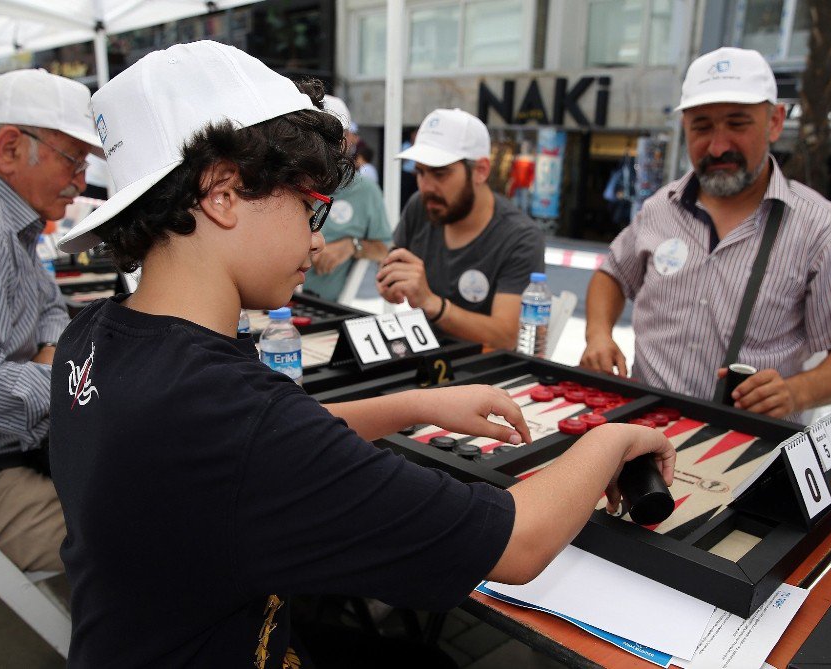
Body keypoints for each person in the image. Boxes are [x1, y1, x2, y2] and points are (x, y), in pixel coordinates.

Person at [49, 41, 675, 667]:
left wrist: (412, 403)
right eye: (309, 205)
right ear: (222, 191)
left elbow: (245, 457)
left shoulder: (92, 338)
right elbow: (520, 542)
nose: (318, 235)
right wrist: (610, 440)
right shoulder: (236, 414)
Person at [581, 47, 831, 422]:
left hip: (748, 443)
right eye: (702, 127)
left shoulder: (821, 228)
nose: (718, 146)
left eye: (738, 124)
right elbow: (612, 274)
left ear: (774, 121)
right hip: (645, 427)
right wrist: (598, 334)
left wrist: (795, 391)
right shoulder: (660, 207)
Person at [0, 69, 101, 577]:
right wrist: (68, 382)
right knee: (142, 529)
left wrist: (50, 354)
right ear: (10, 148)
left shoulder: (0, 215)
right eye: (74, 160)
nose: (80, 182)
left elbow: (51, 306)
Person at [377, 108, 545, 350]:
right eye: (420, 172)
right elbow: (391, 260)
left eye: (440, 173)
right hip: (423, 355)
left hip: (485, 374)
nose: (427, 187)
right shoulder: (421, 206)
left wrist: (433, 304)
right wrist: (390, 279)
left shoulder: (520, 237)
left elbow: (508, 336)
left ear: (481, 170)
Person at [303, 95, 391, 301]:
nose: (324, 145)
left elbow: (384, 249)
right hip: (274, 306)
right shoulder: (287, 184)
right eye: (317, 135)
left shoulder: (365, 190)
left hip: (331, 307)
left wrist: (352, 245)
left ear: (351, 138)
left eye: (334, 135)